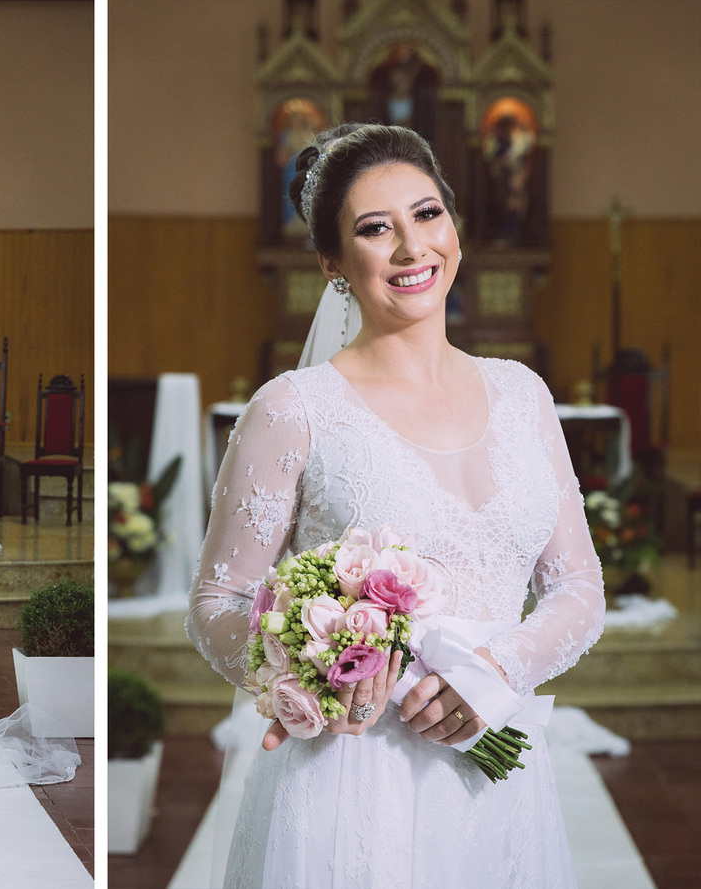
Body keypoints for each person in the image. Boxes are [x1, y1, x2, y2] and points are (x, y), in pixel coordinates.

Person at [186, 123, 604, 887]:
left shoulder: (523, 394)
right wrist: (312, 665)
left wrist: (496, 671)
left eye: (427, 213)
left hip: (500, 784)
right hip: (351, 780)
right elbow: (218, 601)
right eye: (376, 229)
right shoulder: (293, 409)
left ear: (454, 226)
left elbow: (578, 587)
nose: (413, 248)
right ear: (332, 263)